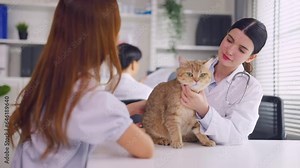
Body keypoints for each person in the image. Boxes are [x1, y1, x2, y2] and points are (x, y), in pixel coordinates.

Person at [8, 0, 154, 167]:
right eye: (115, 30)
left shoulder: (51, 82)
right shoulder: (92, 100)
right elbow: (146, 149)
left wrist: (130, 109)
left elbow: (86, 116)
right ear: (104, 38)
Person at [180, 18, 268, 145]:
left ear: (251, 57)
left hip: (226, 156)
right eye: (229, 40)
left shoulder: (251, 88)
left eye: (241, 50)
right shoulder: (195, 69)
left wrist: (204, 110)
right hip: (187, 148)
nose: (230, 50)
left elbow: (236, 135)